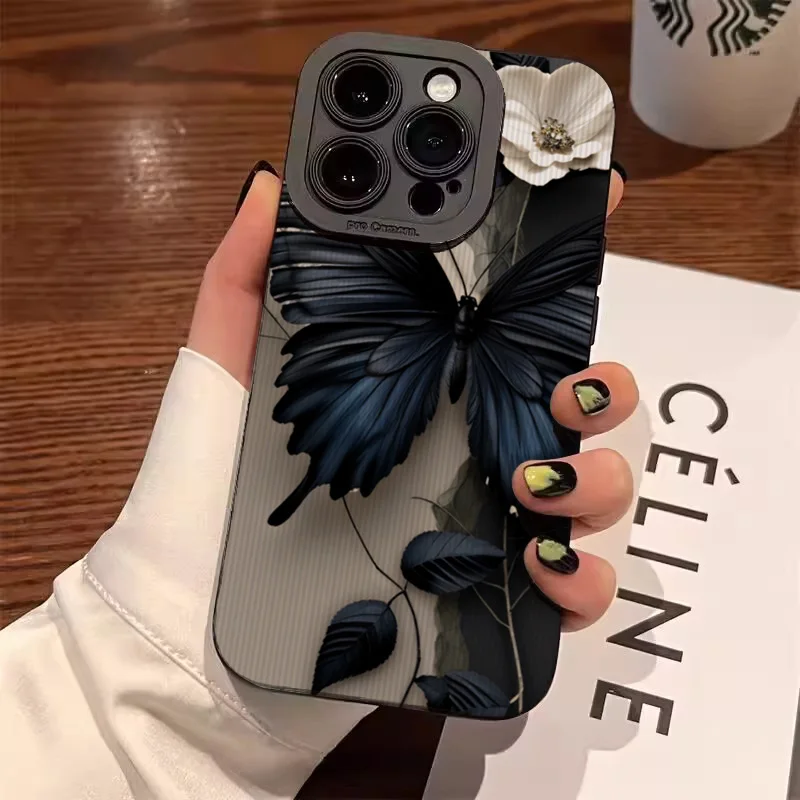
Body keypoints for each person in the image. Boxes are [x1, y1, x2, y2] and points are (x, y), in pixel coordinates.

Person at [0, 162, 633, 798]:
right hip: (446, 378)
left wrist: (151, 675)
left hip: (387, 372)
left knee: (523, 478)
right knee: (524, 470)